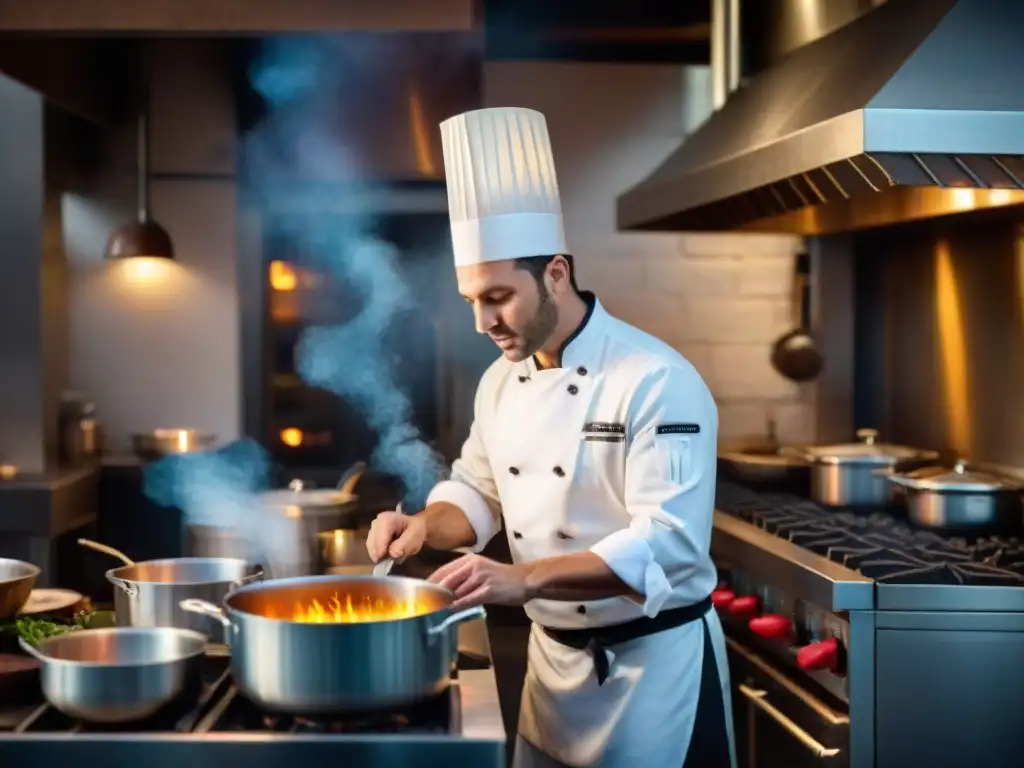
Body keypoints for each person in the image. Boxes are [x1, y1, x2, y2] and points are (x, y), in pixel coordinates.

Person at [366, 106, 736, 768]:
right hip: (554, 673)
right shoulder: (501, 382)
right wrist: (423, 525)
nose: (483, 322)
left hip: (650, 675)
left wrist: (523, 579)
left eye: (499, 297)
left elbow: (670, 545)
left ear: (556, 274)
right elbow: (478, 493)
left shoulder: (656, 380)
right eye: (472, 301)